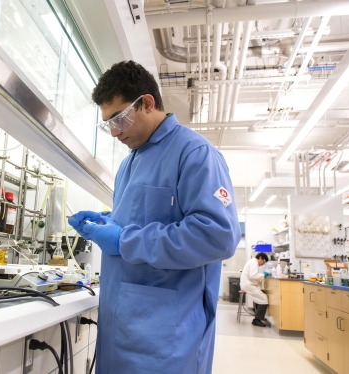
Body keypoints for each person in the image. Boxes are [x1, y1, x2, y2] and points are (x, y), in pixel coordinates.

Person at [68, 61, 241, 374]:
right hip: (121, 328)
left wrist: (123, 239)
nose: (114, 132)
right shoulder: (128, 164)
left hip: (165, 338)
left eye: (119, 118)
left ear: (147, 103)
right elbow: (144, 221)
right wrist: (110, 222)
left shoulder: (195, 153)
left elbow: (216, 235)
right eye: (107, 123)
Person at [240, 252, 270, 327]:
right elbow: (253, 276)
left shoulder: (252, 262)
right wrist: (264, 274)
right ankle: (257, 320)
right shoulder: (254, 262)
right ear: (260, 258)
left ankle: (259, 316)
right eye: (264, 261)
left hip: (247, 284)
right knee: (264, 299)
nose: (263, 263)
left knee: (260, 297)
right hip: (248, 285)